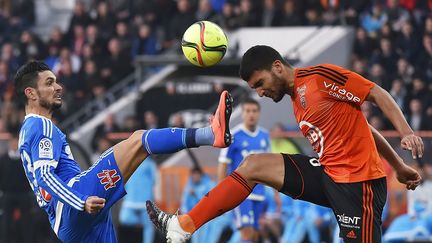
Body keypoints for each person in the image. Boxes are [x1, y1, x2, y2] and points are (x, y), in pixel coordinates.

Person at [147, 45, 423, 243]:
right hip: (329, 174)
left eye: (260, 83)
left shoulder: (320, 78)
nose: (260, 92)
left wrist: (406, 133)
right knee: (253, 165)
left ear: (277, 67)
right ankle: (183, 226)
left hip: (359, 185)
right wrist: (398, 166)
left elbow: (376, 93)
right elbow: (364, 127)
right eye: (255, 88)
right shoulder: (297, 101)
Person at [13, 60, 233, 242]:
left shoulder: (29, 128)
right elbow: (44, 176)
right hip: (73, 204)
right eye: (50, 83)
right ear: (31, 93)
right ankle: (210, 134)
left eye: (56, 81)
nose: (58, 87)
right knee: (138, 141)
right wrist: (81, 201)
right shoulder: (41, 125)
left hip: (66, 222)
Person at [217, 98, 271, 242]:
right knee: (246, 233)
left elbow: (268, 165)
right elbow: (223, 164)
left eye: (254, 111)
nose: (251, 114)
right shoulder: (234, 136)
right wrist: (222, 193)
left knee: (254, 235)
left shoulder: (264, 136)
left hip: (259, 192)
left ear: (259, 113)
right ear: (242, 113)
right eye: (247, 111)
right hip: (240, 193)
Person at [118, 156, 158, 243]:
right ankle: (139, 223)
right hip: (130, 200)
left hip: (145, 201)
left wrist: (154, 199)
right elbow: (124, 180)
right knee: (124, 219)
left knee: (148, 227)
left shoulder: (150, 164)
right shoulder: (129, 163)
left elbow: (156, 181)